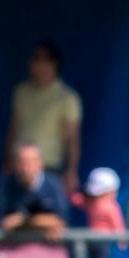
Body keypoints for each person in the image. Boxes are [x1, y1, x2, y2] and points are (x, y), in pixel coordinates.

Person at [8, 40, 81, 192]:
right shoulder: (21, 92)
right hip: (19, 170)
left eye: (45, 59)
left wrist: (72, 171)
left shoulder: (67, 98)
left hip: (50, 170)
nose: (38, 64)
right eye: (35, 58)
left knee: (49, 215)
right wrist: (8, 161)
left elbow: (73, 139)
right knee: (14, 214)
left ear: (55, 64)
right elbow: (14, 128)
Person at [0, 143, 69, 237]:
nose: (26, 167)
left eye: (31, 161)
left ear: (41, 163)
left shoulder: (54, 185)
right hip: (14, 248)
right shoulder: (6, 185)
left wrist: (24, 220)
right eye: (22, 161)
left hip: (47, 248)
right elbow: (5, 224)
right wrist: (42, 223)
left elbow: (61, 222)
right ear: (15, 164)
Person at [73, 167, 127, 258]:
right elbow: (117, 223)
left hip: (93, 239)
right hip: (101, 241)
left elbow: (77, 200)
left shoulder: (94, 204)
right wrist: (122, 239)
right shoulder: (110, 206)